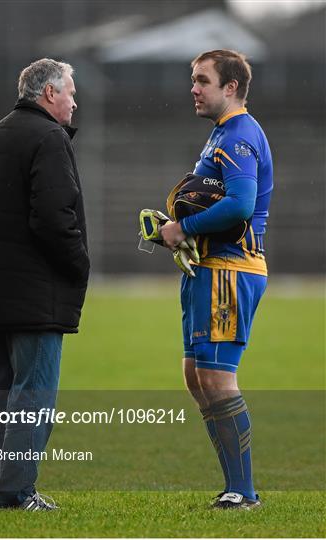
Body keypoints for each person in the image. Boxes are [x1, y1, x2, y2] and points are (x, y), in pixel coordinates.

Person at [0, 58, 90, 510]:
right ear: (49, 94)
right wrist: (80, 265)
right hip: (36, 293)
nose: (75, 101)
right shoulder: (49, 138)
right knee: (32, 395)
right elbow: (54, 220)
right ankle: (18, 493)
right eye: (71, 92)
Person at [160, 50, 273, 510]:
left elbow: (242, 205)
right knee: (195, 375)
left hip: (230, 269)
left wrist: (183, 228)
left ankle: (242, 492)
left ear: (230, 87)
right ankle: (233, 485)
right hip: (208, 268)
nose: (194, 87)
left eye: (202, 80)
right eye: (193, 79)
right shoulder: (221, 134)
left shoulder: (240, 134)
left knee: (217, 376)